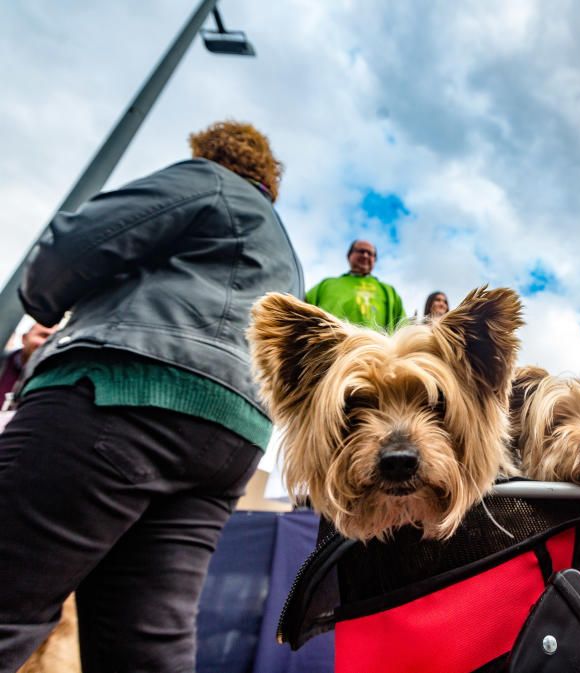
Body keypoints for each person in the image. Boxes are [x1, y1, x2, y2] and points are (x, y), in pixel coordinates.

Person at [0, 120, 303, 672]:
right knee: (144, 647)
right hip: (230, 438)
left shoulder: (210, 182)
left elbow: (77, 245)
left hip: (122, 392)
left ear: (217, 154)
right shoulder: (283, 251)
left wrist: (42, 299)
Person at [305, 239, 406, 330]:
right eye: (361, 251)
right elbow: (300, 308)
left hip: (377, 349)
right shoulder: (326, 284)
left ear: (374, 260)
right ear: (349, 256)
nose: (365, 255)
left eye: (370, 253)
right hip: (327, 348)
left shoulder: (389, 291)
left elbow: (404, 327)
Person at [0, 322, 55, 399]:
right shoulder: (3, 361)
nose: (46, 343)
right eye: (43, 335)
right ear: (24, 338)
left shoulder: (52, 377)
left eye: (53, 339)